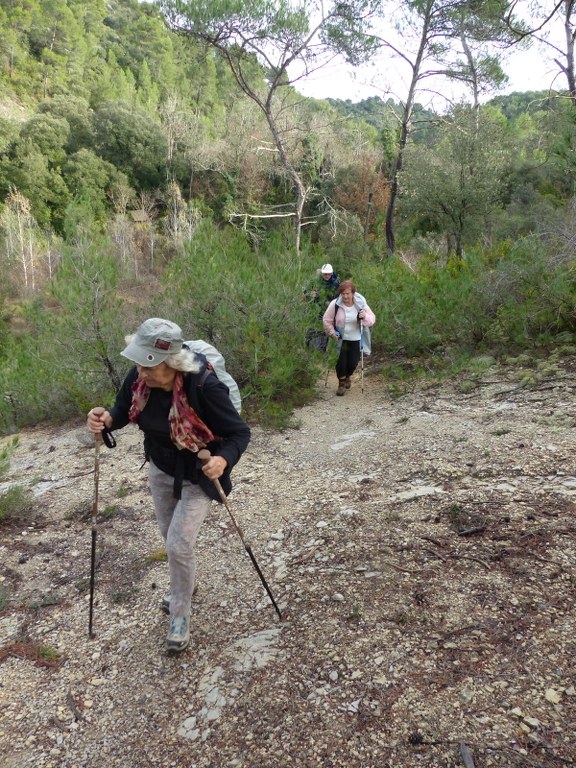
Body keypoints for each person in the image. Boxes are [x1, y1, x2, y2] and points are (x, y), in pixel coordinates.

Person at [86, 318, 250, 653]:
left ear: (172, 364)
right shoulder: (140, 375)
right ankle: (186, 585)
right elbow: (121, 409)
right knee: (169, 535)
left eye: (148, 365)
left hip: (198, 472)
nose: (139, 373)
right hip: (160, 465)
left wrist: (223, 460)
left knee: (177, 544)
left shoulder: (205, 386)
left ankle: (180, 614)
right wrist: (105, 420)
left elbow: (239, 433)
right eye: (139, 363)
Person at [323, 280, 376, 396]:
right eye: (343, 294)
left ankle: (348, 376)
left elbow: (372, 319)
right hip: (340, 338)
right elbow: (327, 320)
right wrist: (332, 332)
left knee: (352, 362)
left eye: (347, 293)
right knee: (341, 361)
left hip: (356, 338)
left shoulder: (361, 304)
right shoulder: (335, 304)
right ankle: (341, 383)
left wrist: (364, 316)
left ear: (352, 293)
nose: (345, 296)